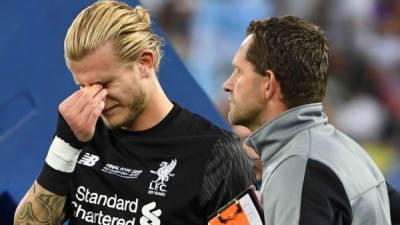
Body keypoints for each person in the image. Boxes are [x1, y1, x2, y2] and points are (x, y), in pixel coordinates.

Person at [13, 1, 255, 225]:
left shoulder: (219, 154)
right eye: (83, 86)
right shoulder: (80, 136)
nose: (96, 99)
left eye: (105, 84)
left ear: (145, 62)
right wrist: (64, 145)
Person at [223, 16, 395, 224]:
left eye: (239, 72)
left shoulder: (296, 169)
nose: (228, 84)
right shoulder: (347, 151)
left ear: (268, 83)